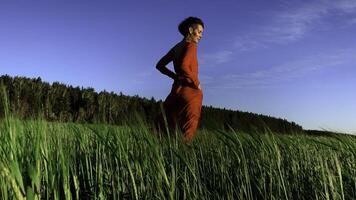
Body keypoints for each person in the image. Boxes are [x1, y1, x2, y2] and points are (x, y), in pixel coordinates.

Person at [155, 16, 204, 142]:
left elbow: (159, 65)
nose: (200, 35)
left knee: (165, 126)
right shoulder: (191, 45)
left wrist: (175, 77)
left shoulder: (177, 47)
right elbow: (184, 65)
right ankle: (184, 156)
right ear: (190, 30)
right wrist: (197, 83)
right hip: (191, 91)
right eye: (199, 32)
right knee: (187, 129)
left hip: (176, 90)